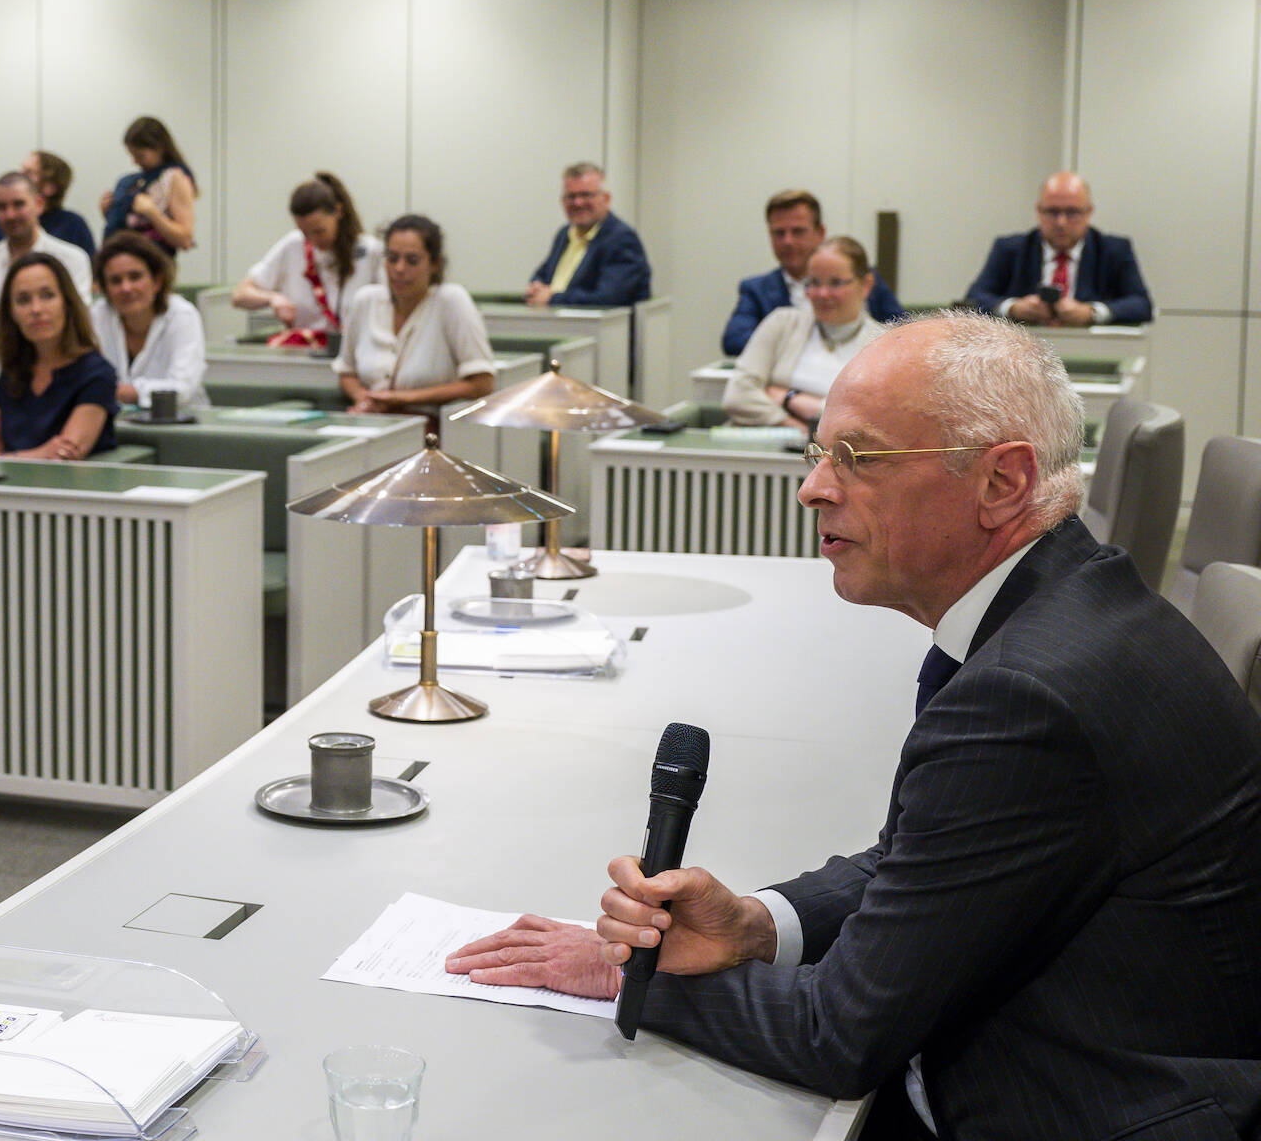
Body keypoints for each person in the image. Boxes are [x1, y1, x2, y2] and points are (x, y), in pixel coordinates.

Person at [446, 311, 1261, 1139]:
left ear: (1002, 482)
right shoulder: (1059, 608)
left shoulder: (1029, 695)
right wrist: (754, 925)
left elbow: (838, 1033)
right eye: (820, 452)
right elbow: (926, 862)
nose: (814, 488)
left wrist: (627, 973)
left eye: (859, 458)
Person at [334, 215, 495, 417]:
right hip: (371, 420)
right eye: (392, 258)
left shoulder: (451, 301)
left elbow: (482, 384)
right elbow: (346, 372)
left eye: (412, 260)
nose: (399, 269)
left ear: (434, 264)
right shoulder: (365, 300)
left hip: (430, 425)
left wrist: (404, 398)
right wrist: (363, 399)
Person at [724, 236, 888, 428]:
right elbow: (736, 396)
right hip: (767, 443)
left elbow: (871, 420)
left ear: (866, 284)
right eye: (814, 283)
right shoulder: (782, 323)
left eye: (835, 283)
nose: (822, 294)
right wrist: (791, 425)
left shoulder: (884, 344)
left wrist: (790, 399)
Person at [0, 252, 118, 459]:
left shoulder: (97, 374)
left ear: (67, 303)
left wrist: (1, 457)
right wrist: (37, 454)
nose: (36, 309)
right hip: (7, 479)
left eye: (47, 296)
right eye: (23, 300)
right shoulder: (14, 368)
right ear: (11, 312)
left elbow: (63, 456)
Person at [721, 190, 904, 355]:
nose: (788, 241)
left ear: (820, 232)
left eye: (798, 231)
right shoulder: (757, 289)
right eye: (779, 233)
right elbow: (733, 341)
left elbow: (903, 333)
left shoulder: (859, 276)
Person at [964, 171, 1153, 326]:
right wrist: (1013, 308)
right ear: (1038, 211)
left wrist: (1091, 313)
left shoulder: (1114, 251)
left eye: (1072, 212)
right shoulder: (1010, 250)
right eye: (1052, 212)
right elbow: (973, 299)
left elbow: (1141, 305)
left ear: (1089, 213)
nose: (1061, 222)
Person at [231, 172, 382, 343]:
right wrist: (272, 298)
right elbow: (239, 295)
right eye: (304, 233)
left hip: (356, 348)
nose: (312, 240)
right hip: (305, 350)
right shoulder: (293, 245)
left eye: (319, 231)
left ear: (338, 211)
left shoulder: (370, 251)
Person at [0, 172, 92, 343]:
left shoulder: (73, 259)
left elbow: (78, 323)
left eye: (18, 204)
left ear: (39, 204)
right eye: (2, 207)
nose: (10, 215)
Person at [88, 232, 207, 409]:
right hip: (113, 420)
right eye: (115, 281)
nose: (126, 288)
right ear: (105, 288)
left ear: (157, 281)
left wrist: (121, 392)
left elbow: (181, 389)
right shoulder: (97, 316)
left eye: (135, 277)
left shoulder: (182, 315)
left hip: (178, 420)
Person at [522, 163, 650, 307]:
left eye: (586, 195)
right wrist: (535, 288)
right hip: (551, 320)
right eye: (571, 196)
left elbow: (608, 299)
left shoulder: (622, 239)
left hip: (595, 322)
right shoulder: (565, 234)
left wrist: (552, 299)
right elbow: (542, 275)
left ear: (606, 199)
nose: (578, 203)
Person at [0, 150, 97, 266]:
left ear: (50, 187)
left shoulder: (73, 224)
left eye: (28, 173)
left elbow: (94, 279)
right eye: (20, 170)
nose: (10, 215)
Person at [99, 116, 198, 254]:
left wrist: (152, 213)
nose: (135, 162)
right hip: (124, 256)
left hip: (154, 261)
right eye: (132, 155)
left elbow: (185, 240)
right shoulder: (133, 182)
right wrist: (109, 212)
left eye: (140, 155)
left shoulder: (175, 177)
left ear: (160, 148)